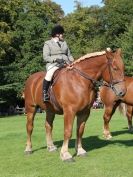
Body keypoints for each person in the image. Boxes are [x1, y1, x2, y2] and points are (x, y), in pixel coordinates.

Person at [43, 24, 74, 102]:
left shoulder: (64, 43)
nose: (62, 35)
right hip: (54, 64)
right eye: (61, 33)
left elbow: (69, 55)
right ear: (57, 34)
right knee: (49, 73)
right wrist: (56, 59)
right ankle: (45, 93)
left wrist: (73, 62)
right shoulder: (48, 43)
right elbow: (46, 57)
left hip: (66, 63)